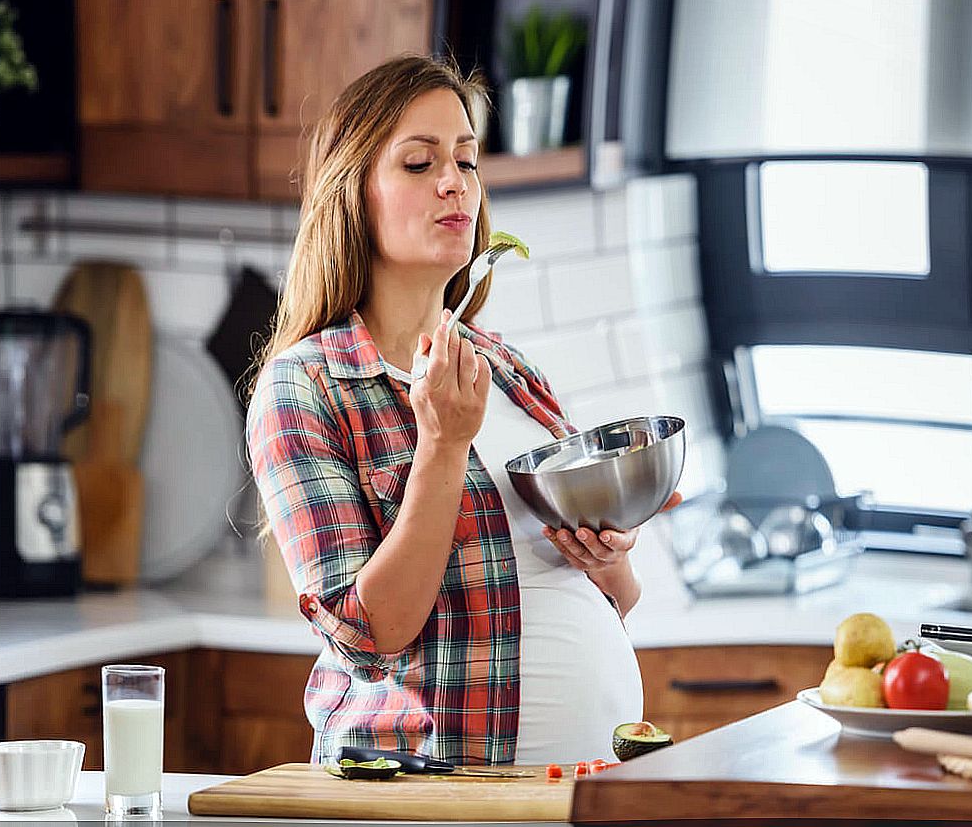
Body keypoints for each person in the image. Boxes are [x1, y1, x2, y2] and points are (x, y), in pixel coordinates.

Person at [246, 54, 679, 766]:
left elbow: (608, 597)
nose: (454, 183)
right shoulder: (307, 388)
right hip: (429, 793)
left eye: (467, 161)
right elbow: (371, 633)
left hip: (585, 788)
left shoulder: (506, 368)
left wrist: (608, 560)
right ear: (353, 195)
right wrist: (442, 446)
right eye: (418, 164)